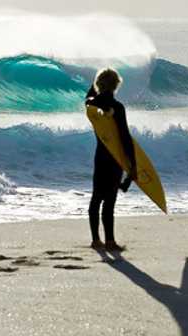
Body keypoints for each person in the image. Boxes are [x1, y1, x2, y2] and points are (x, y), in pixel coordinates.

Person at [85, 68, 136, 251]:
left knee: (96, 198)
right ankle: (110, 242)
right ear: (116, 85)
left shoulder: (91, 105)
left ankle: (95, 240)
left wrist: (97, 83)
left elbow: (90, 95)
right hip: (115, 159)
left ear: (99, 84)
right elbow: (124, 137)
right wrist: (132, 167)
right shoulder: (118, 108)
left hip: (100, 157)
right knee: (109, 201)